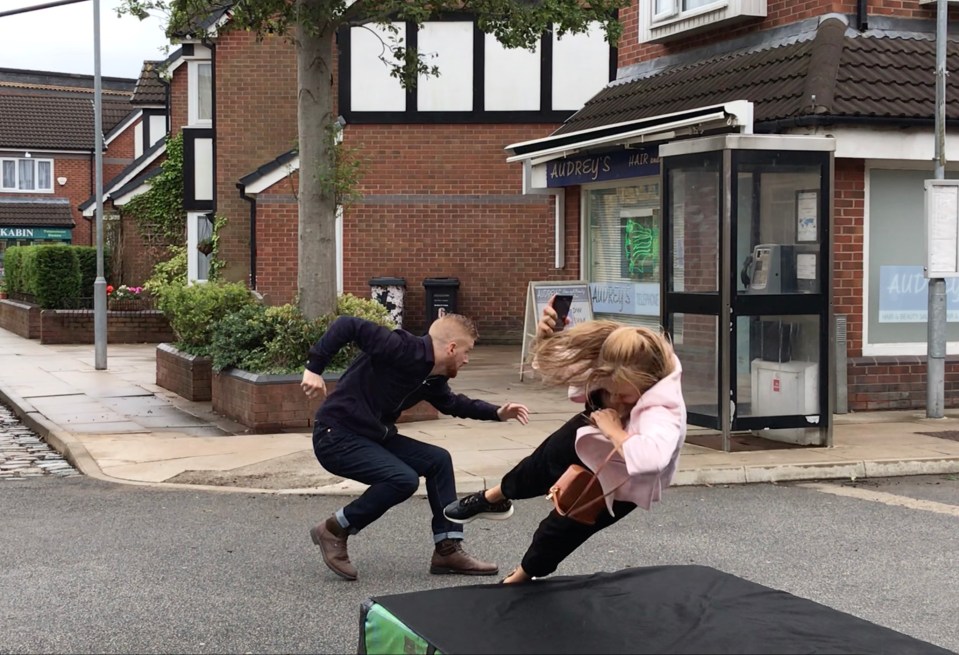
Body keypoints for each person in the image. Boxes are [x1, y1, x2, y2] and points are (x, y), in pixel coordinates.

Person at [444, 300, 686, 584]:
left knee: (561, 529)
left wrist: (615, 431)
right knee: (541, 462)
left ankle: (520, 578)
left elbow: (651, 460)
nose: (617, 399)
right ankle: (495, 498)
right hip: (593, 433)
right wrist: (550, 335)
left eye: (624, 396)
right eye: (610, 391)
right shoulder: (625, 353)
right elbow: (560, 366)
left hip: (620, 477)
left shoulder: (664, 410)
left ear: (648, 382)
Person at [301, 313, 530, 581]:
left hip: (373, 436)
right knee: (402, 479)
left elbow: (453, 403)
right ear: (452, 348)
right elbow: (347, 325)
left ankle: (447, 548)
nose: (466, 360)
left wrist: (497, 412)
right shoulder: (400, 347)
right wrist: (314, 368)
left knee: (438, 460)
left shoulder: (432, 377)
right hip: (336, 435)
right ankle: (334, 529)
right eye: (467, 352)